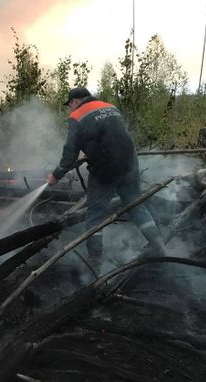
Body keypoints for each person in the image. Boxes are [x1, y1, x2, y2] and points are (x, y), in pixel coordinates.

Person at [46, 87, 166, 268]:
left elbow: (69, 153)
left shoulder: (77, 116)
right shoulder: (110, 107)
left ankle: (95, 261)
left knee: (95, 214)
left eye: (70, 104)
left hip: (106, 166)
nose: (70, 108)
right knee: (135, 205)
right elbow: (113, 137)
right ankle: (160, 246)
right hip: (130, 162)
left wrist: (56, 176)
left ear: (76, 101)